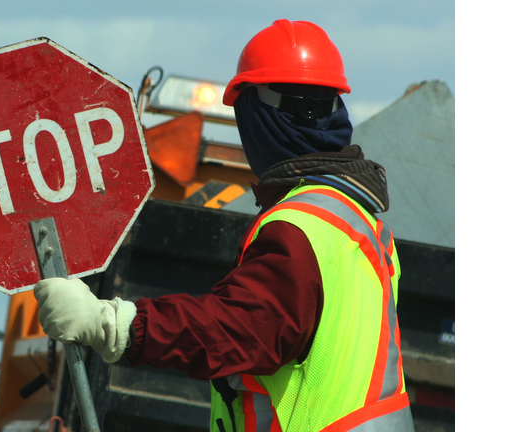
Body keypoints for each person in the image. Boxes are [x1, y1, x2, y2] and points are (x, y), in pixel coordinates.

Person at [34, 19, 414, 432]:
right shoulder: (365, 229)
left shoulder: (299, 226)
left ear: (254, 118)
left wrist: (118, 325)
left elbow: (242, 328)